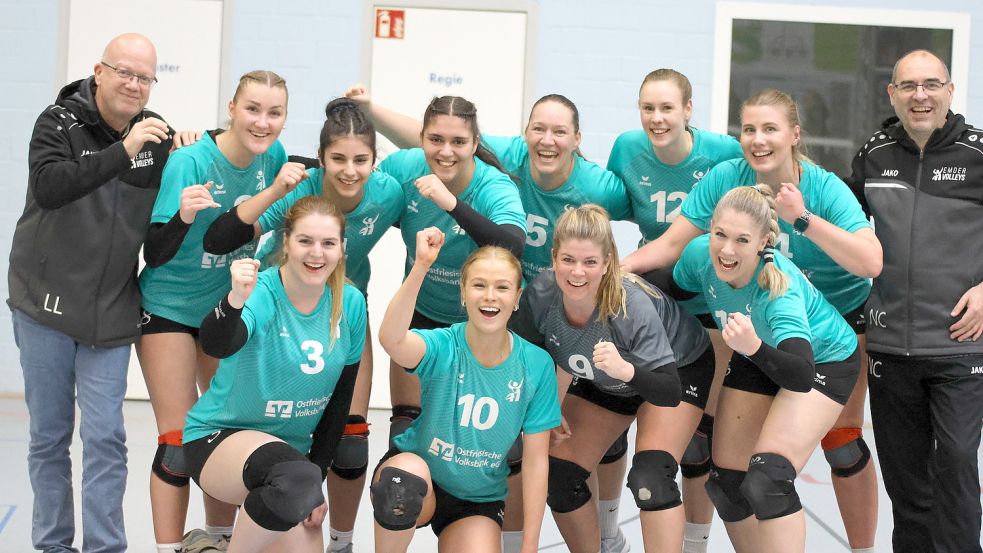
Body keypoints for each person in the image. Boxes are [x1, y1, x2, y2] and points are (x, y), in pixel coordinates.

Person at [622, 88, 882, 552]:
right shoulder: (726, 187)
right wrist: (611, 275)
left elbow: (870, 263)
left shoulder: (821, 189)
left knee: (836, 444)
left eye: (770, 129)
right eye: (748, 129)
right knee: (728, 478)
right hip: (757, 325)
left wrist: (801, 219)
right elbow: (671, 251)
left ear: (794, 135)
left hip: (829, 325)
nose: (758, 140)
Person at [203, 97, 404, 553]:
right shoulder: (300, 188)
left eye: (360, 159)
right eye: (338, 159)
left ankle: (341, 541)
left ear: (375, 160)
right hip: (279, 308)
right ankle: (219, 538)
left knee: (350, 435)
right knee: (254, 418)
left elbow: (449, 153)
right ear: (320, 159)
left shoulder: (390, 190)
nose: (349, 170)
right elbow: (222, 237)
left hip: (343, 307)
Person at [7, 33, 175, 553]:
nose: (133, 84)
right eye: (123, 71)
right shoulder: (56, 122)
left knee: (106, 438)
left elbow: (158, 231)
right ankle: (53, 544)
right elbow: (52, 187)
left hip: (110, 312)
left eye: (144, 77)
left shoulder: (158, 139)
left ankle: (105, 546)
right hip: (45, 306)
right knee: (50, 437)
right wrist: (123, 150)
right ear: (98, 71)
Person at [136, 70, 305, 553]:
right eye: (253, 109)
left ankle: (220, 540)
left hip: (223, 310)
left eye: (275, 113)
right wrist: (186, 215)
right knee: (176, 439)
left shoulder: (272, 158)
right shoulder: (190, 161)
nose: (263, 122)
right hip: (167, 308)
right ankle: (169, 547)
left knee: (222, 434)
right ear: (231, 108)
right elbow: (155, 254)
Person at [509, 205, 714, 553]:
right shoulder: (541, 294)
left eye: (590, 262)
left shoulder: (629, 305)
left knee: (651, 478)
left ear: (607, 264)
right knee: (559, 475)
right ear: (553, 257)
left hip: (675, 370)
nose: (577, 272)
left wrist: (628, 371)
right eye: (568, 260)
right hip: (606, 373)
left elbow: (667, 391)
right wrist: (549, 406)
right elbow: (533, 359)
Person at [673, 185, 860, 553]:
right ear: (709, 229)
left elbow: (801, 375)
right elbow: (671, 290)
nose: (726, 250)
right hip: (757, 350)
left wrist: (754, 348)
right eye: (720, 235)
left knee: (767, 480)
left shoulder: (778, 288)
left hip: (823, 360)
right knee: (727, 484)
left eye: (741, 240)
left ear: (763, 242)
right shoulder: (699, 255)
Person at [847, 49, 983, 553]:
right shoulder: (873, 154)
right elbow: (848, 233)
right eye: (908, 86)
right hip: (889, 349)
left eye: (931, 85)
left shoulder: (979, 154)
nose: (919, 95)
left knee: (955, 463)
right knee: (907, 485)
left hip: (960, 347)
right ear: (892, 94)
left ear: (949, 91)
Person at [343, 86, 526, 453]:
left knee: (474, 443)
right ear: (422, 139)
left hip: (477, 326)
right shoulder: (405, 168)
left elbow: (512, 245)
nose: (446, 151)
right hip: (421, 318)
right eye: (435, 139)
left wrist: (451, 203)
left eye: (458, 141)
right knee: (404, 438)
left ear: (475, 144)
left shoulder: (492, 185)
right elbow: (347, 175)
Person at [607, 69, 743, 553]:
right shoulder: (627, 148)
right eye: (648, 108)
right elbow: (613, 208)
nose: (657, 118)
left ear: (689, 110)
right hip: (655, 302)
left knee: (698, 438)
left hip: (710, 307)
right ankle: (609, 535)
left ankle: (695, 542)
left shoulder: (724, 154)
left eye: (667, 108)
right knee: (636, 422)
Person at [182, 195, 365, 553]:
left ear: (341, 249)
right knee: (294, 478)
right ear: (286, 243)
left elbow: (339, 403)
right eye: (305, 241)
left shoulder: (351, 304)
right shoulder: (264, 291)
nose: (316, 253)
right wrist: (234, 299)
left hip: (292, 465)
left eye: (328, 243)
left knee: (301, 517)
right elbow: (218, 344)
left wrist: (314, 486)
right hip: (220, 439)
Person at [375, 233, 560, 553]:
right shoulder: (443, 344)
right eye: (478, 285)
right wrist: (420, 267)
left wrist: (530, 544)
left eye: (502, 287)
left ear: (517, 297)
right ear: (463, 293)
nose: (490, 296)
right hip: (421, 475)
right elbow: (392, 340)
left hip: (476, 499)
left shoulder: (536, 364)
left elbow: (535, 461)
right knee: (400, 485)